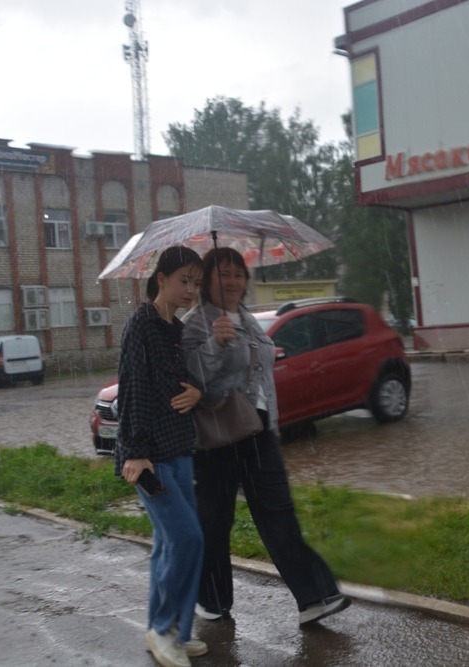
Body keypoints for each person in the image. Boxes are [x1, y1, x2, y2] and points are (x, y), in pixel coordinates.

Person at [180, 247, 351, 626]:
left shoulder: (247, 319)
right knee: (215, 521)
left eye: (238, 274)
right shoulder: (195, 324)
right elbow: (193, 382)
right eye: (223, 274)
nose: (232, 281)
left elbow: (262, 375)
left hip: (256, 430)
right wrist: (214, 344)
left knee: (278, 512)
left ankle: (314, 597)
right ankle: (212, 599)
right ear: (207, 279)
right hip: (218, 435)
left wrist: (272, 421)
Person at [115, 245, 209, 667]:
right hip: (150, 457)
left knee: (169, 544)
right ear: (161, 280)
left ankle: (173, 631)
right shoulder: (142, 324)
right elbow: (132, 387)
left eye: (197, 283)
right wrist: (135, 452)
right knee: (187, 539)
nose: (191, 290)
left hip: (179, 447)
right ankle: (162, 628)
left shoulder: (177, 329)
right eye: (184, 280)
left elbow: (182, 381)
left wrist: (197, 392)